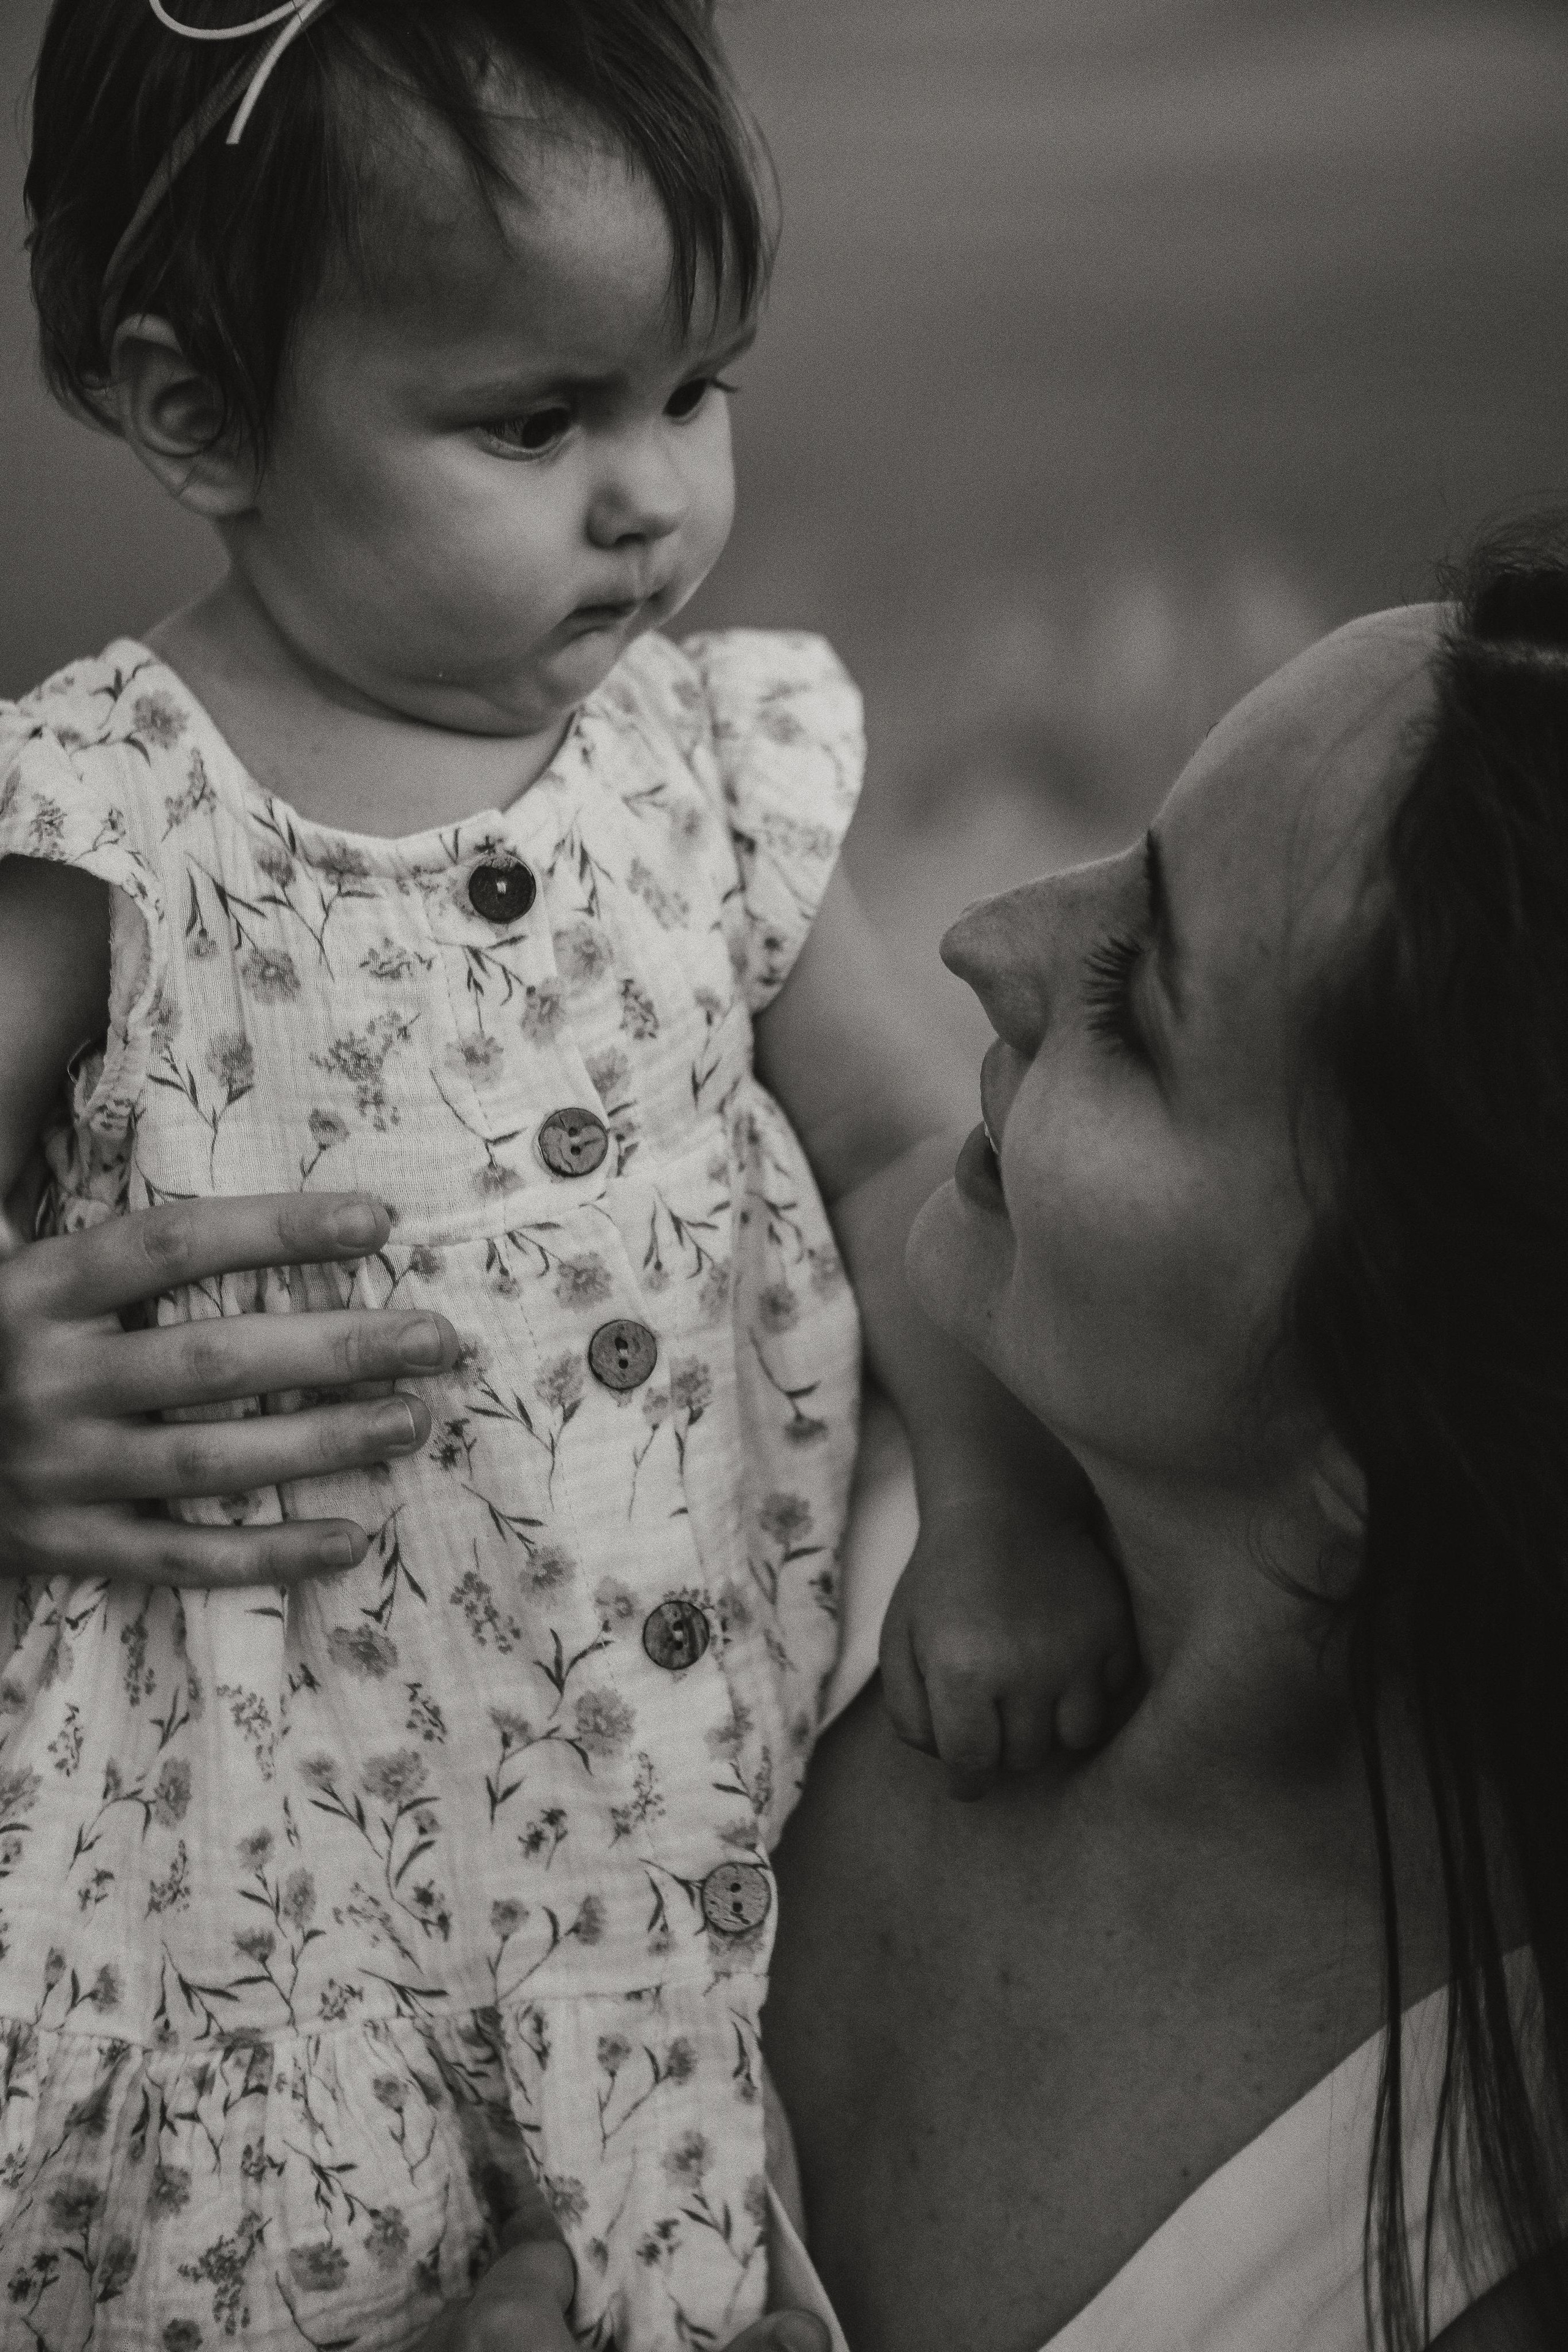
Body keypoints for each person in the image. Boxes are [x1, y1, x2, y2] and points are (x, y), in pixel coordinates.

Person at [0, 5, 1129, 2348]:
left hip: (672, 1866)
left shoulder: (709, 774)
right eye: (535, 422)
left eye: (693, 389)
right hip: (247, 1892)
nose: (653, 498)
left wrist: (1005, 1514)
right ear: (195, 409)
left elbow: (925, 1146)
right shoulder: (112, 821)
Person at [761, 548, 1568, 2351]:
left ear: (1407, 1413)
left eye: (1140, 998)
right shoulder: (811, 1476)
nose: (985, 939)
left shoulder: (1441, 2265)